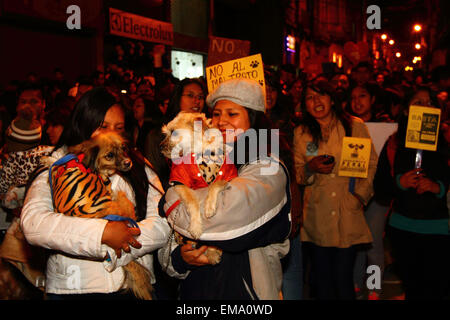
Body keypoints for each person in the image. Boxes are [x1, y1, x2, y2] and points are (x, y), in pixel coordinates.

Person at [20, 87, 170, 299]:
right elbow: (35, 223)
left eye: (118, 127)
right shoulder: (58, 165)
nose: (111, 134)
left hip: (133, 289)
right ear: (83, 125)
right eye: (102, 127)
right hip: (75, 288)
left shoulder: (137, 165)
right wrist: (102, 234)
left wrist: (122, 242)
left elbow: (161, 223)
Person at [158, 78, 291, 300]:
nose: (221, 122)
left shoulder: (268, 165)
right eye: (217, 114)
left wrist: (173, 197)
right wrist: (180, 258)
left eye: (232, 114)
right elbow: (168, 242)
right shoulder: (200, 160)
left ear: (254, 118)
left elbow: (223, 216)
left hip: (246, 294)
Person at [293, 80, 378, 300]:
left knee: (342, 278)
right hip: (317, 214)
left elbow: (370, 164)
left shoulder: (353, 126)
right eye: (310, 98)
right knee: (322, 281)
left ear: (332, 99)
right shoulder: (302, 132)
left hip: (346, 210)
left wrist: (359, 196)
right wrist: (311, 168)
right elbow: (299, 174)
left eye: (321, 95)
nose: (316, 102)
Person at [374, 88, 449, 300]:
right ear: (407, 111)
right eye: (418, 102)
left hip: (440, 230)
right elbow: (380, 187)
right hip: (403, 229)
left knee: (438, 290)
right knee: (413, 289)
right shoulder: (394, 143)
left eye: (430, 103)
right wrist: (400, 182)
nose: (425, 107)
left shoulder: (447, 141)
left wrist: (438, 188)